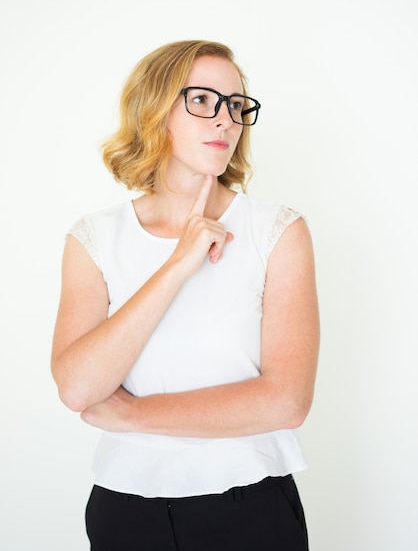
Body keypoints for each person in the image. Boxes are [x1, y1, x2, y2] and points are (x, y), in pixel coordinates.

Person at [51, 39, 320, 551]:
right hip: (125, 508)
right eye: (202, 100)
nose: (226, 120)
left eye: (236, 105)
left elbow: (286, 402)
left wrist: (134, 414)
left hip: (252, 503)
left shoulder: (277, 231)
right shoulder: (93, 238)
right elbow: (78, 388)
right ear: (155, 110)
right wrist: (179, 263)